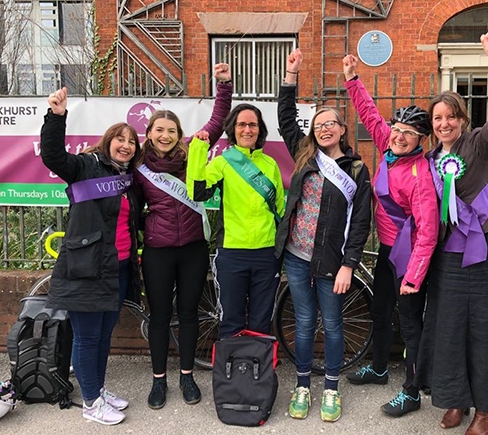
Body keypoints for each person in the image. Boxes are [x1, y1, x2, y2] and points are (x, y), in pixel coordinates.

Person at [413, 31, 488, 435]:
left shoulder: (477, 144)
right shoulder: (428, 157)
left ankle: (486, 409)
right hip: (444, 255)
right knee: (447, 325)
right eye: (437, 118)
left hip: (476, 251)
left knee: (479, 326)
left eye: (451, 117)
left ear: (463, 119)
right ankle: (455, 399)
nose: (444, 124)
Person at [276, 48, 371, 423]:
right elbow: (286, 120)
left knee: (332, 325)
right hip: (297, 257)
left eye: (331, 124)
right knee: (302, 322)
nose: (324, 129)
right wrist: (290, 76)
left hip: (332, 261)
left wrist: (349, 265)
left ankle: (330, 388)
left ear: (342, 129)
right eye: (318, 125)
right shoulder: (305, 154)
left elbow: (361, 222)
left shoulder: (357, 168)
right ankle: (302, 385)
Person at [341, 55, 439, 417]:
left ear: (420, 140)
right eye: (395, 129)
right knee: (380, 311)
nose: (397, 136)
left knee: (411, 324)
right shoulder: (390, 148)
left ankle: (412, 392)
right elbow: (369, 114)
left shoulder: (421, 175)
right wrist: (353, 79)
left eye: (407, 134)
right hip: (386, 249)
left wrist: (414, 277)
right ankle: (380, 369)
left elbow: (428, 231)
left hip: (409, 258)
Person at [132, 64, 233, 410]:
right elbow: (129, 206)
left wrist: (223, 86)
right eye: (159, 130)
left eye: (171, 130)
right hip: (158, 252)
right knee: (160, 316)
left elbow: (217, 123)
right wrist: (147, 226)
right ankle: (158, 381)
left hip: (192, 248)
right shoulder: (139, 166)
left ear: (179, 133)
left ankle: (187, 376)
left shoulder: (193, 152)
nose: (165, 135)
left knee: (189, 314)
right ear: (149, 133)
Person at [40, 87, 142, 426]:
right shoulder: (85, 165)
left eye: (131, 141)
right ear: (108, 141)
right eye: (120, 139)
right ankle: (90, 402)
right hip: (87, 268)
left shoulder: (126, 178)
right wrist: (56, 117)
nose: (126, 145)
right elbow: (53, 157)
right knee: (87, 336)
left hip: (120, 267)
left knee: (103, 334)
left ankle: (96, 388)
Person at [186, 103, 284, 340]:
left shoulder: (271, 165)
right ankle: (231, 375)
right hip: (232, 252)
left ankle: (258, 375)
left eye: (253, 124)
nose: (247, 130)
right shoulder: (223, 162)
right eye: (242, 124)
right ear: (233, 129)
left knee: (262, 322)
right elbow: (197, 192)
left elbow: (280, 210)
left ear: (260, 130)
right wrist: (199, 149)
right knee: (231, 320)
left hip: (266, 253)